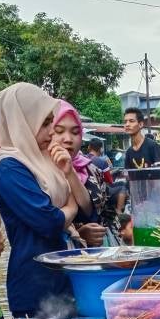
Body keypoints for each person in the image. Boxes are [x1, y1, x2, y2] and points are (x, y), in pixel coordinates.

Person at [0, 83, 94, 318]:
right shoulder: (7, 168)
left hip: (65, 280)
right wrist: (70, 206)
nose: (51, 133)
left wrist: (69, 173)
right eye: (45, 124)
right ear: (21, 122)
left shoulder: (43, 160)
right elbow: (49, 221)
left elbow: (88, 213)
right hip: (35, 287)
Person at [53, 100, 118, 246]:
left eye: (75, 132)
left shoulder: (92, 169)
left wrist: (70, 173)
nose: (68, 139)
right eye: (59, 131)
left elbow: (94, 213)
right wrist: (78, 234)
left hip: (98, 254)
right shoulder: (39, 172)